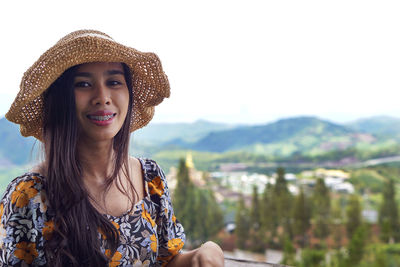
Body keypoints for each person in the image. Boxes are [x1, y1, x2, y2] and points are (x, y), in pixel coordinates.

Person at [0, 30, 224, 266]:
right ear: (60, 100)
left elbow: (165, 261)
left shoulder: (150, 178)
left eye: (114, 82)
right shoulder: (30, 196)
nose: (103, 97)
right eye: (84, 84)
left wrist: (202, 254)